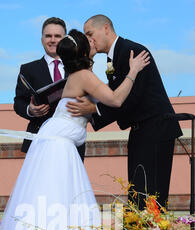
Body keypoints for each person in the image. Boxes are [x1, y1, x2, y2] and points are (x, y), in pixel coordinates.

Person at [0, 29, 149, 230]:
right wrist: (133, 72)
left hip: (55, 139)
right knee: (57, 194)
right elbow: (115, 100)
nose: (93, 42)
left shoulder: (76, 75)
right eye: (89, 41)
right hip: (59, 144)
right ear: (84, 51)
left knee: (50, 196)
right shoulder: (84, 76)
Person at [66, 15, 182, 209]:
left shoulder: (132, 51)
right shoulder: (116, 56)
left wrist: (94, 110)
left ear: (105, 28)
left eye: (90, 34)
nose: (88, 40)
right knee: (138, 191)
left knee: (151, 192)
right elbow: (116, 95)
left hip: (155, 130)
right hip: (141, 130)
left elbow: (130, 97)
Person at [14, 17, 84, 162]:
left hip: (71, 141)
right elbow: (18, 102)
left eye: (57, 36)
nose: (52, 40)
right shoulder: (28, 69)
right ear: (42, 39)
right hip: (39, 140)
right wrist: (30, 110)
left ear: (65, 40)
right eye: (48, 36)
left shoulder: (78, 68)